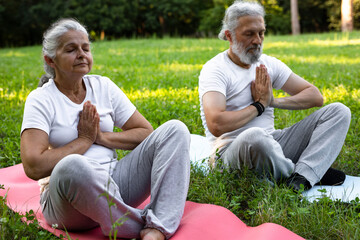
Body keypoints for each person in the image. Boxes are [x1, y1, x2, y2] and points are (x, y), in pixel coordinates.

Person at [20, 18, 191, 240]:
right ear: (50, 60)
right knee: (73, 165)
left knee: (175, 130)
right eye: (71, 49)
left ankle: (157, 229)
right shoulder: (40, 99)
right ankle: (136, 226)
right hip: (67, 203)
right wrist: (83, 141)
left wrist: (100, 137)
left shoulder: (103, 86)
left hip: (116, 184)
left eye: (86, 48)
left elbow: (144, 132)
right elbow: (33, 165)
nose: (82, 54)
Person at [198, 0, 351, 192]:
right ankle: (307, 172)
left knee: (339, 111)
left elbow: (315, 97)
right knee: (254, 136)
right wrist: (259, 107)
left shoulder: (268, 64)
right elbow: (216, 124)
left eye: (261, 33)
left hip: (273, 143)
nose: (258, 40)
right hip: (230, 154)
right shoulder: (215, 70)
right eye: (249, 34)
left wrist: (272, 101)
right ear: (229, 35)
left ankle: (302, 176)